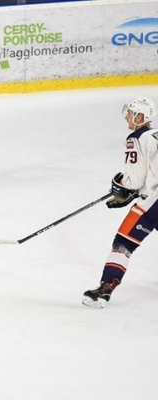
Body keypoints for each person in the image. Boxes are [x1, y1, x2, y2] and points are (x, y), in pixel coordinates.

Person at [83, 97, 158, 308]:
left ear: (140, 116)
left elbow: (134, 180)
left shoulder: (137, 138)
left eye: (130, 112)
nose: (126, 116)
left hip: (154, 201)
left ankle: (105, 289)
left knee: (124, 243)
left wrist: (122, 186)